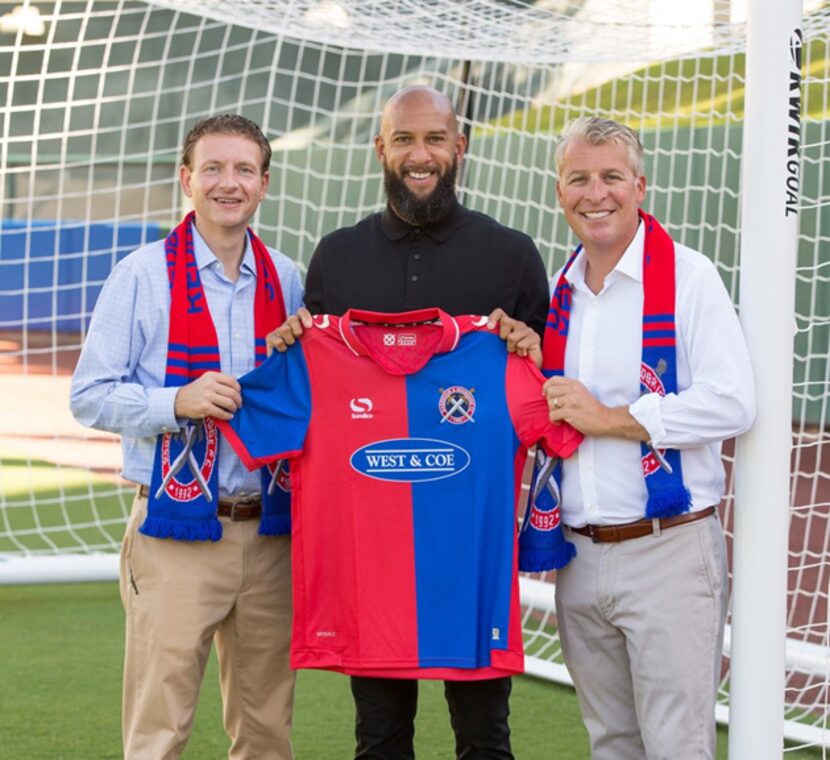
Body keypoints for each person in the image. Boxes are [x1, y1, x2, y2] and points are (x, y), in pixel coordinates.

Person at [268, 85, 550, 760]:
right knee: (380, 737)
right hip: (373, 557)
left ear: (460, 146)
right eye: (403, 139)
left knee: (486, 737)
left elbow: (547, 384)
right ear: (380, 150)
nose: (419, 155)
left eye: (433, 139)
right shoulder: (336, 257)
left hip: (470, 554)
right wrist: (292, 343)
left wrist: (530, 348)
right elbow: (314, 381)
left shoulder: (512, 255)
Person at [70, 114, 304, 760]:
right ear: (186, 179)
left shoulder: (288, 279)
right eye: (213, 168)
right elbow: (87, 395)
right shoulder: (142, 275)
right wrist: (176, 401)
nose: (228, 183)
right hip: (175, 535)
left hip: (271, 537)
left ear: (264, 183)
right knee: (160, 728)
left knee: (265, 731)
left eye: (244, 170)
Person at [541, 116, 756, 759]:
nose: (595, 193)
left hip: (668, 550)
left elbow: (733, 402)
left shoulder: (689, 278)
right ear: (560, 192)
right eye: (579, 178)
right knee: (611, 744)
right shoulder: (560, 292)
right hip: (578, 557)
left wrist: (609, 419)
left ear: (640, 186)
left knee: (676, 747)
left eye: (611, 177)